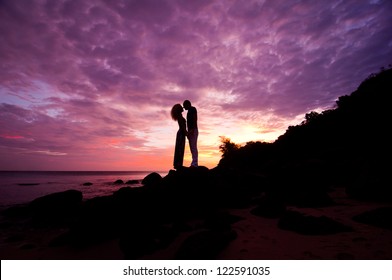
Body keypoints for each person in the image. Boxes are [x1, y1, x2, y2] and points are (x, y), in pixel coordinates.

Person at [171, 104, 187, 169]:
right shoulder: (180, 116)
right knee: (180, 148)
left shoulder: (180, 116)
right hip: (181, 133)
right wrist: (186, 133)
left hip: (181, 133)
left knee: (179, 148)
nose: (182, 107)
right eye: (181, 107)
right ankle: (178, 164)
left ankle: (178, 164)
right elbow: (182, 127)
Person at [183, 100, 198, 167]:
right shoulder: (190, 111)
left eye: (184, 106)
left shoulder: (192, 109)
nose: (184, 108)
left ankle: (195, 163)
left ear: (187, 104)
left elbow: (194, 120)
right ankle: (194, 162)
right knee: (192, 147)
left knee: (193, 147)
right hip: (191, 131)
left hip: (193, 130)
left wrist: (190, 131)